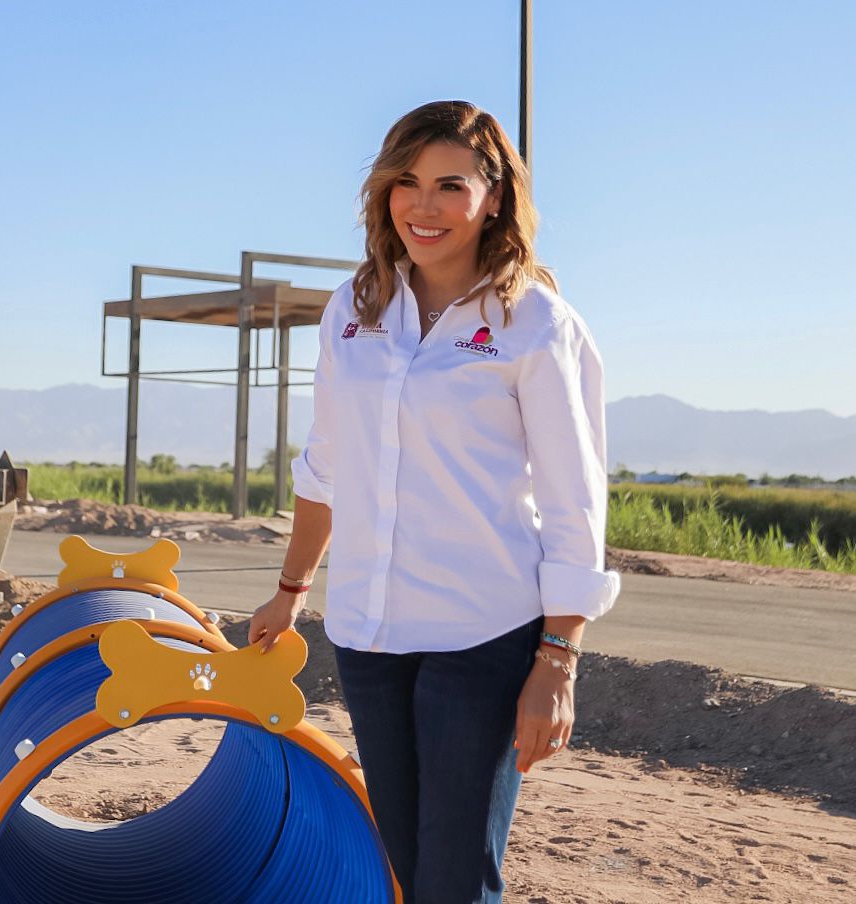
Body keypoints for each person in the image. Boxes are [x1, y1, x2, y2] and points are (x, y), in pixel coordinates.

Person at [247, 100, 620, 903]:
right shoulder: (356, 308)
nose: (424, 205)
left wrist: (558, 660)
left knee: (455, 875)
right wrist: (290, 591)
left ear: (495, 198)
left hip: (481, 633)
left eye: (451, 184)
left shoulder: (536, 323)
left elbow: (572, 503)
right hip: (369, 633)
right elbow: (327, 464)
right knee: (408, 870)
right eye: (405, 182)